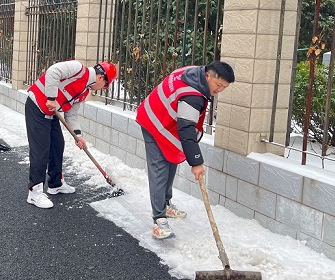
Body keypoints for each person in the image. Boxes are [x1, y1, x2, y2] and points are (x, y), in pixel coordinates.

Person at [136, 61, 235, 239]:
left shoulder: (194, 72)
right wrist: (196, 162)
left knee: (171, 159)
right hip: (154, 121)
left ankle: (166, 204)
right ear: (208, 76)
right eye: (218, 85)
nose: (219, 90)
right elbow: (186, 130)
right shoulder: (193, 96)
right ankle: (159, 220)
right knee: (159, 167)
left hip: (166, 119)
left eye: (224, 87)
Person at [25, 60, 118, 209]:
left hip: (51, 113)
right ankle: (34, 192)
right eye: (105, 85)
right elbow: (53, 71)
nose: (103, 88)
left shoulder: (84, 91)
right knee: (41, 150)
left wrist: (78, 136)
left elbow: (72, 115)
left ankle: (55, 184)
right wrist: (51, 98)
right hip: (37, 106)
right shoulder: (78, 69)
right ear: (101, 78)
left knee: (57, 146)